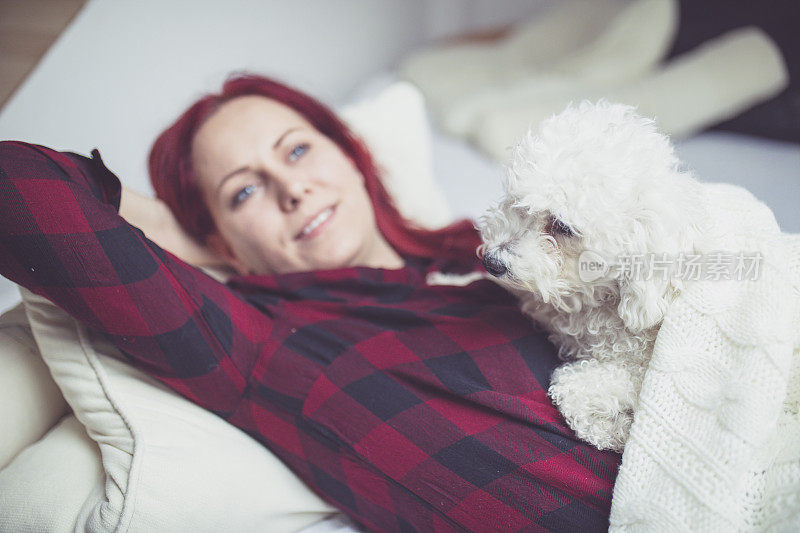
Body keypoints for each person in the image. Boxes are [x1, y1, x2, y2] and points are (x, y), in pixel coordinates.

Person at [0, 74, 620, 532]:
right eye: (245, 192)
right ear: (219, 239)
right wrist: (181, 232)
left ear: (351, 156)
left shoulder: (483, 246)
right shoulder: (262, 343)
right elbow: (15, 188)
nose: (292, 188)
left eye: (297, 151)